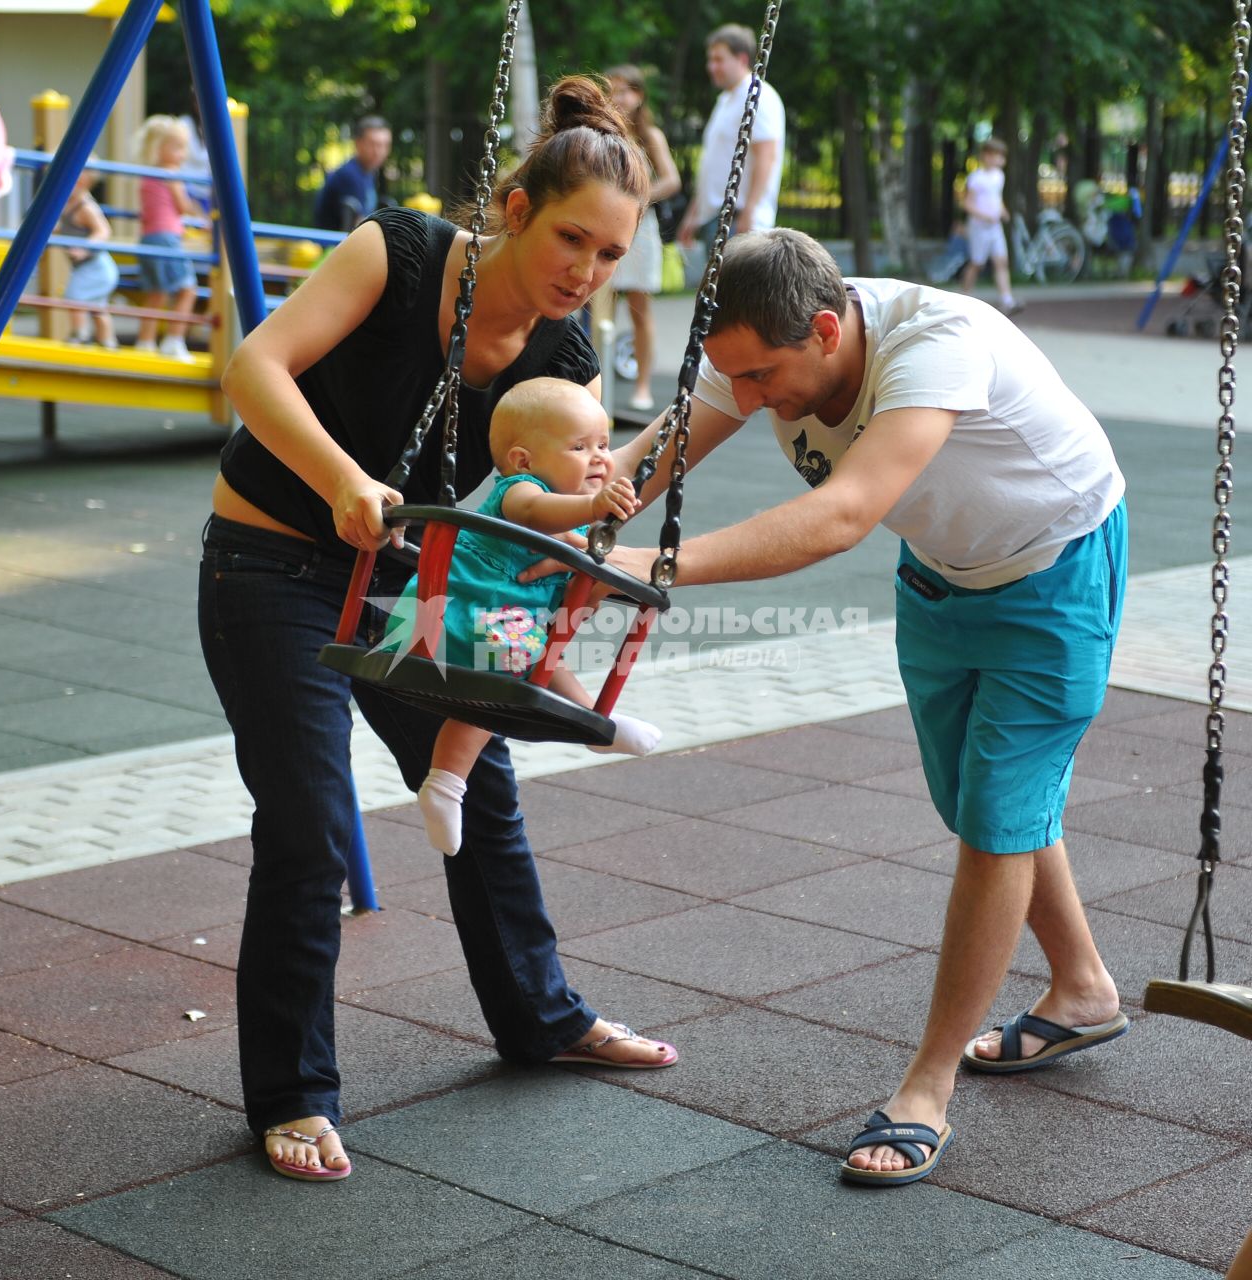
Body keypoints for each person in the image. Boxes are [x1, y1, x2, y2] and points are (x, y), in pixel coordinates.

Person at [201, 75, 679, 1185]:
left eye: (610, 257)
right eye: (572, 240)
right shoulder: (400, 251)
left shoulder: (564, 362)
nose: (586, 274)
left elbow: (554, 504)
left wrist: (673, 455)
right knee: (311, 817)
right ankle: (292, 1091)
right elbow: (253, 367)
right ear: (515, 210)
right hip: (273, 558)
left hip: (406, 578)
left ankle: (540, 1015)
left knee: (485, 781)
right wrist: (341, 478)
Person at [590, 227, 1128, 1187]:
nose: (746, 402)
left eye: (760, 380)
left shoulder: (939, 342)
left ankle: (926, 1087)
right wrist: (561, 520)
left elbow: (841, 516)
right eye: (734, 380)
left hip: (1056, 569)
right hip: (941, 573)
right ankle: (1083, 989)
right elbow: (648, 459)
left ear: (828, 331)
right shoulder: (758, 341)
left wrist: (647, 568)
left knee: (997, 821)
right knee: (979, 798)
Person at [381, 377, 662, 856]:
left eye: (604, 444)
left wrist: (597, 584)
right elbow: (536, 512)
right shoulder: (519, 492)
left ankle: (448, 784)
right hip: (452, 619)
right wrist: (595, 507)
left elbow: (574, 594)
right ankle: (595, 725)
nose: (599, 457)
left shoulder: (569, 527)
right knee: (512, 676)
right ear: (522, 460)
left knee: (504, 685)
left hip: (495, 629)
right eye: (579, 447)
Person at [605, 66, 682, 411]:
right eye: (612, 91)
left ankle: (642, 384)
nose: (618, 99)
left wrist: (637, 196)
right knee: (597, 308)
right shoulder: (600, 132)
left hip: (640, 228)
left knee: (640, 309)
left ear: (639, 95)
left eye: (625, 91)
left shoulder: (649, 136)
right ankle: (595, 378)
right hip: (604, 224)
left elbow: (671, 180)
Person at [676, 23, 785, 257]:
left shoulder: (758, 95)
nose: (711, 67)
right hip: (716, 218)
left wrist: (750, 214)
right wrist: (694, 214)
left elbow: (767, 156)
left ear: (742, 59)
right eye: (710, 60)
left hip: (740, 218)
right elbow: (713, 164)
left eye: (719, 59)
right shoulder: (726, 100)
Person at [133, 115, 200, 360]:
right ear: (159, 149)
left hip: (148, 239)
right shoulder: (171, 173)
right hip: (167, 239)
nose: (183, 154)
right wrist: (202, 217)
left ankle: (145, 342)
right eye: (178, 147)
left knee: (156, 293)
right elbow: (182, 206)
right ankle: (173, 340)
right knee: (188, 290)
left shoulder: (147, 175)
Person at [57, 161, 119, 350]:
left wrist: (85, 248)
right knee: (97, 307)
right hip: (88, 267)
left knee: (74, 296)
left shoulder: (85, 207)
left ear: (86, 182)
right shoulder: (66, 203)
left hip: (96, 266)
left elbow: (103, 231)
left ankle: (80, 335)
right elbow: (64, 228)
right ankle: (108, 342)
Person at [959, 137, 1022, 317]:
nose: (1000, 160)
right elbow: (967, 204)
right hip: (979, 227)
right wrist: (984, 215)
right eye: (996, 156)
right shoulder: (976, 178)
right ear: (986, 156)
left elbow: (996, 199)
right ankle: (964, 296)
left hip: (995, 227)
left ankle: (1007, 299)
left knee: (1001, 261)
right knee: (977, 263)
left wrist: (1003, 211)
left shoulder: (998, 176)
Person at [313, 116, 392, 233]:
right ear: (358, 144)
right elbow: (360, 225)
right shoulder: (349, 175)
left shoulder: (368, 172)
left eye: (385, 145)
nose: (379, 151)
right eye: (373, 144)